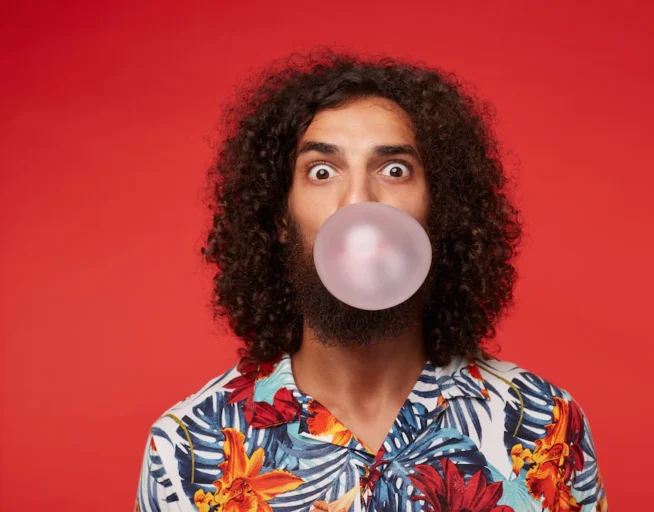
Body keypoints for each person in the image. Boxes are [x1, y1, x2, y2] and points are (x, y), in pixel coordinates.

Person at [135, 48, 608, 512]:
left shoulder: (545, 425)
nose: (359, 201)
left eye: (394, 169)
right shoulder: (187, 449)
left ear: (438, 208)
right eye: (322, 171)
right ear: (280, 216)